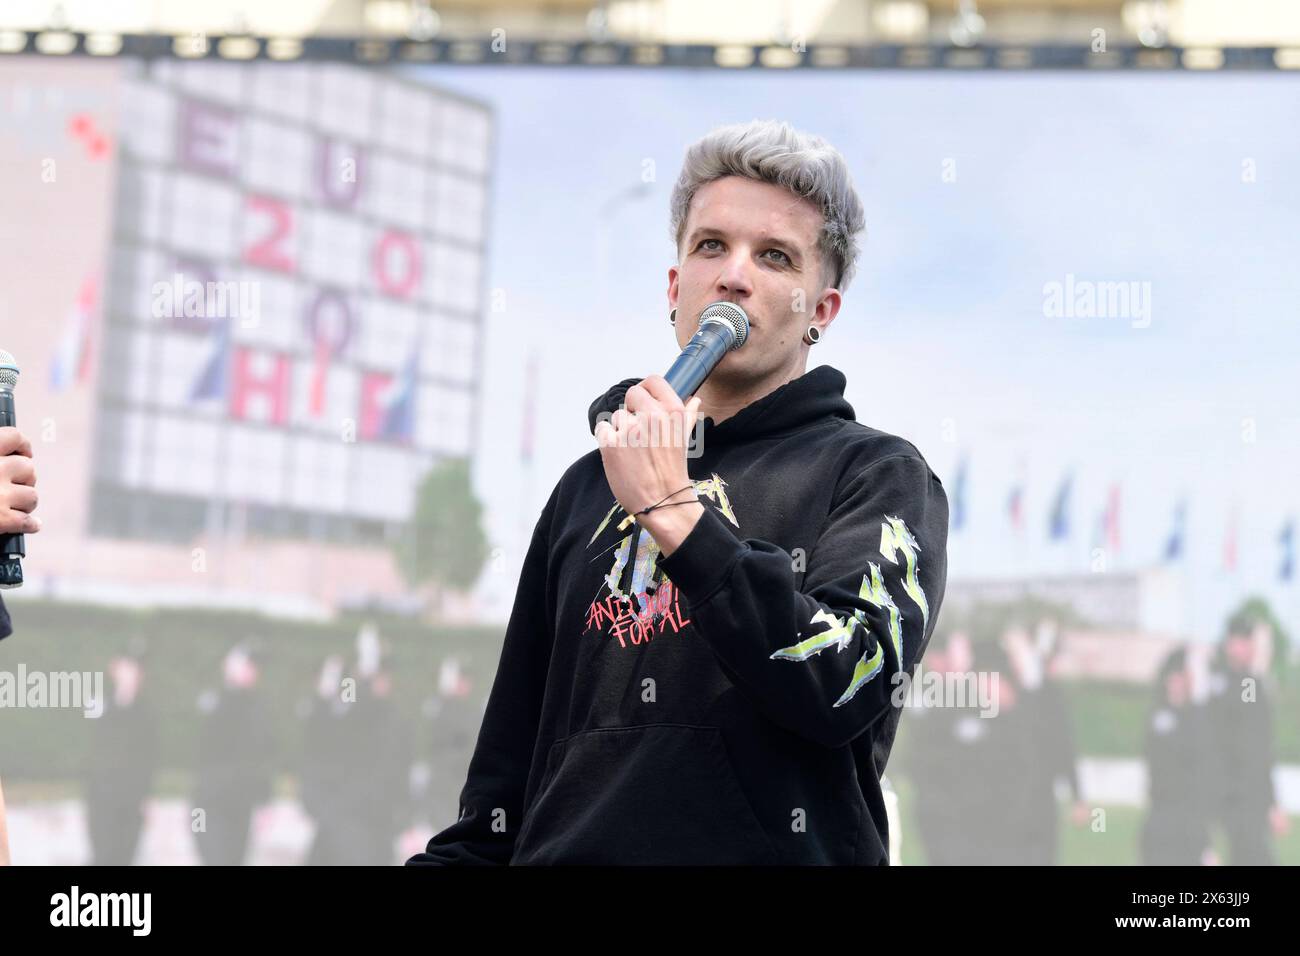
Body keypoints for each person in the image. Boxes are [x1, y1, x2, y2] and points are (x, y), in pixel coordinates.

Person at [410, 120, 949, 866]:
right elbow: (501, 791)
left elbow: (843, 682)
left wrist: (677, 515)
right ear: (676, 287)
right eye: (710, 246)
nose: (733, 275)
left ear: (819, 311)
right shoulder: (585, 488)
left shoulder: (877, 476)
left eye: (774, 256)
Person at [192, 643, 276, 865]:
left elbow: (262, 756)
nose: (251, 671)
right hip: (211, 805)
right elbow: (208, 745)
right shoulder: (215, 701)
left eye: (253, 666)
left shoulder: (257, 708)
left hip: (241, 805)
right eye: (246, 665)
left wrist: (265, 799)